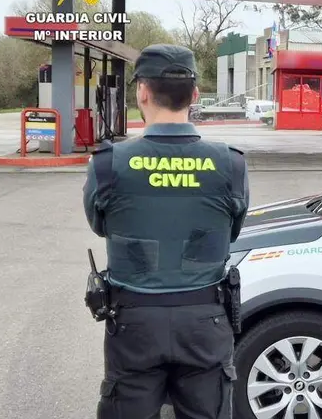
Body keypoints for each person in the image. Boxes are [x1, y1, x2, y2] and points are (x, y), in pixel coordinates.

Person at [82, 44, 250, 419]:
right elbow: (233, 231)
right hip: (205, 322)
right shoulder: (231, 164)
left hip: (134, 324)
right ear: (194, 94)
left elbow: (99, 224)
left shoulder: (108, 164)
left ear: (141, 91)